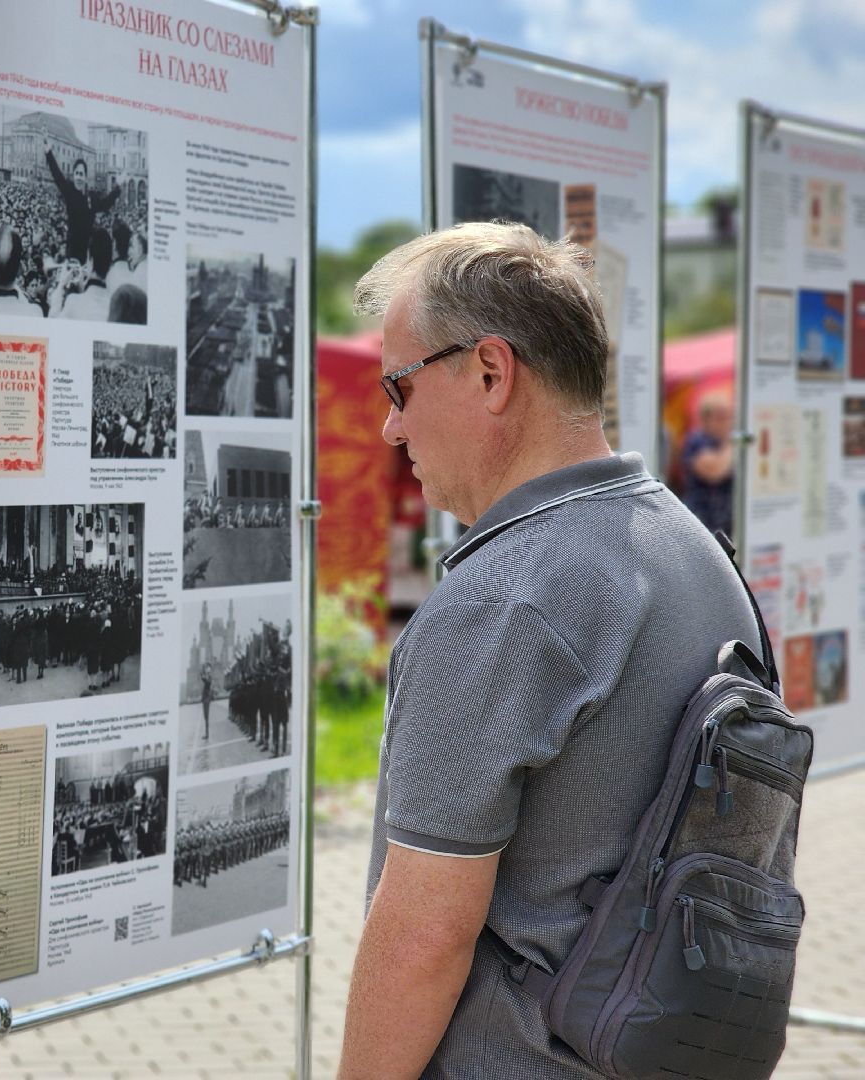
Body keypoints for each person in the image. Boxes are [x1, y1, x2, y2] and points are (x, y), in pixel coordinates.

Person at [337, 222, 760, 1079]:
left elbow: (424, 934)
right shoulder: (691, 547)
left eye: (399, 387)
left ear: (490, 372)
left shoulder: (504, 597)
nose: (388, 428)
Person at [44, 143, 120, 265]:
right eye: (76, 173)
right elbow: (57, 174)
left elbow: (105, 204)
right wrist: (48, 152)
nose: (78, 177)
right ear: (73, 175)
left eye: (81, 174)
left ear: (85, 177)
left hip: (88, 251)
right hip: (72, 250)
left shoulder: (92, 197)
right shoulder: (69, 191)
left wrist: (117, 190)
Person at [679, 390, 734, 539]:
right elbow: (715, 471)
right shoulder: (696, 441)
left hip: (728, 527)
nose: (728, 421)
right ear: (706, 418)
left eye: (730, 415)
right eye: (721, 416)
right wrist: (734, 442)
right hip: (702, 526)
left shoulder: (727, 443)